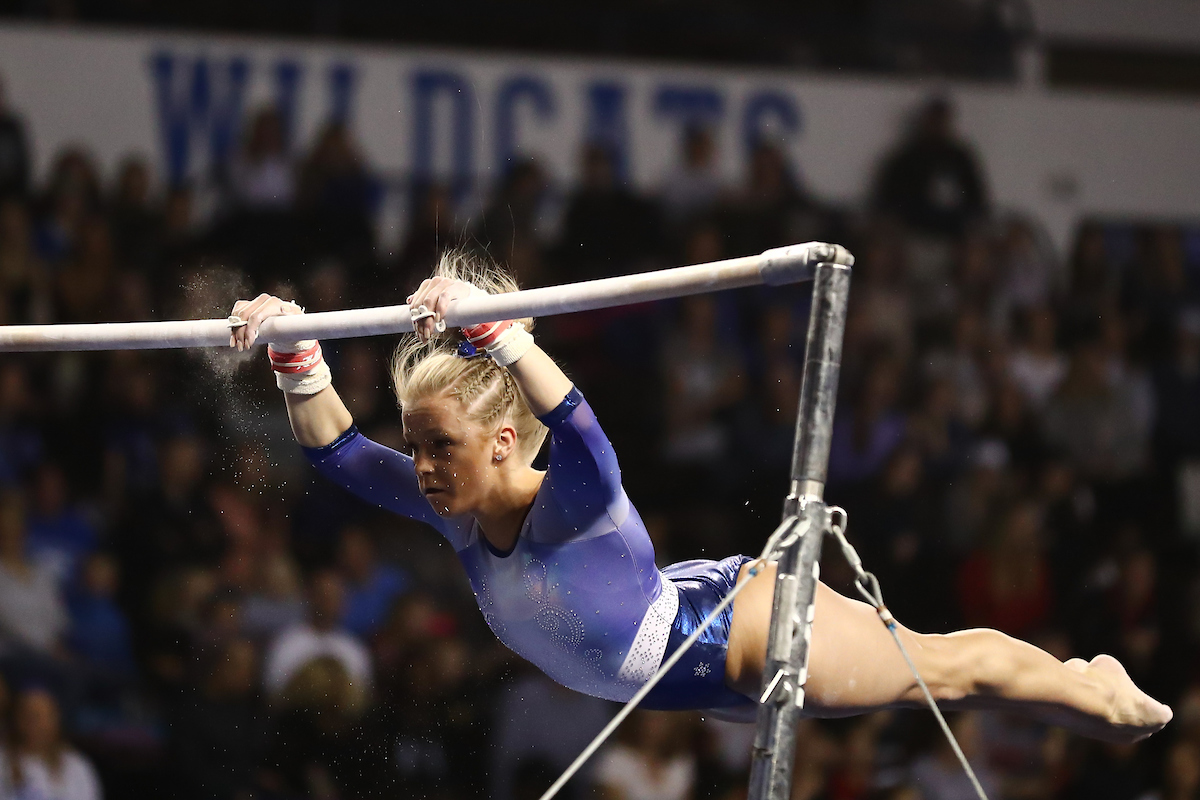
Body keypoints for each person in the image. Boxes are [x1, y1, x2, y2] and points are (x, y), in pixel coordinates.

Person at [227, 252, 1172, 743]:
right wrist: (293, 351)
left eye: (442, 447)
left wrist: (509, 339)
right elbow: (344, 457)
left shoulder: (565, 500)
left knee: (948, 678)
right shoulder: (454, 510)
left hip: (735, 638)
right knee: (947, 686)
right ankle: (1085, 684)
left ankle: (1100, 687)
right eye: (418, 447)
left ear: (506, 439)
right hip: (687, 655)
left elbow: (590, 437)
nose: (423, 466)